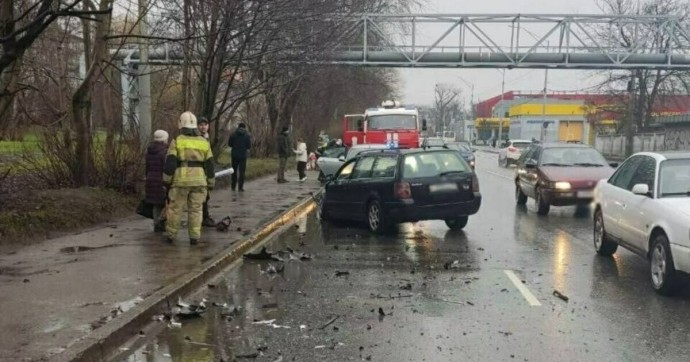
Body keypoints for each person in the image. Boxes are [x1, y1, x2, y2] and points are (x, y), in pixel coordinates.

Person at [163, 111, 215, 245]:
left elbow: (170, 163)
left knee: (175, 209)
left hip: (181, 181)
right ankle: (194, 237)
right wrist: (210, 183)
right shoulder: (204, 142)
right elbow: (209, 165)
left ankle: (171, 235)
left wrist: (166, 180)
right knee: (196, 210)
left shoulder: (177, 141)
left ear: (181, 124)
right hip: (199, 181)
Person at [145, 129, 169, 232]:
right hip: (161, 180)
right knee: (165, 203)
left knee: (156, 204)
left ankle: (156, 224)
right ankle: (162, 223)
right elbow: (166, 168)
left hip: (150, 179)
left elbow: (147, 167)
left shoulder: (149, 151)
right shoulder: (165, 152)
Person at [197, 117, 215, 227]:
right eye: (201, 125)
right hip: (199, 171)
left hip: (204, 171)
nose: (203, 127)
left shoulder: (206, 137)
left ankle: (205, 216)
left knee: (205, 196)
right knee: (203, 196)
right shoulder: (198, 139)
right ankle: (204, 218)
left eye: (205, 124)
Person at [228, 122, 251, 191]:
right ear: (244, 127)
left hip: (234, 155)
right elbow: (249, 146)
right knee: (242, 172)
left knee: (234, 171)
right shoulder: (247, 136)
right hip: (243, 156)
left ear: (238, 127)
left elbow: (229, 144)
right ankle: (240, 187)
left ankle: (233, 186)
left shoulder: (233, 135)